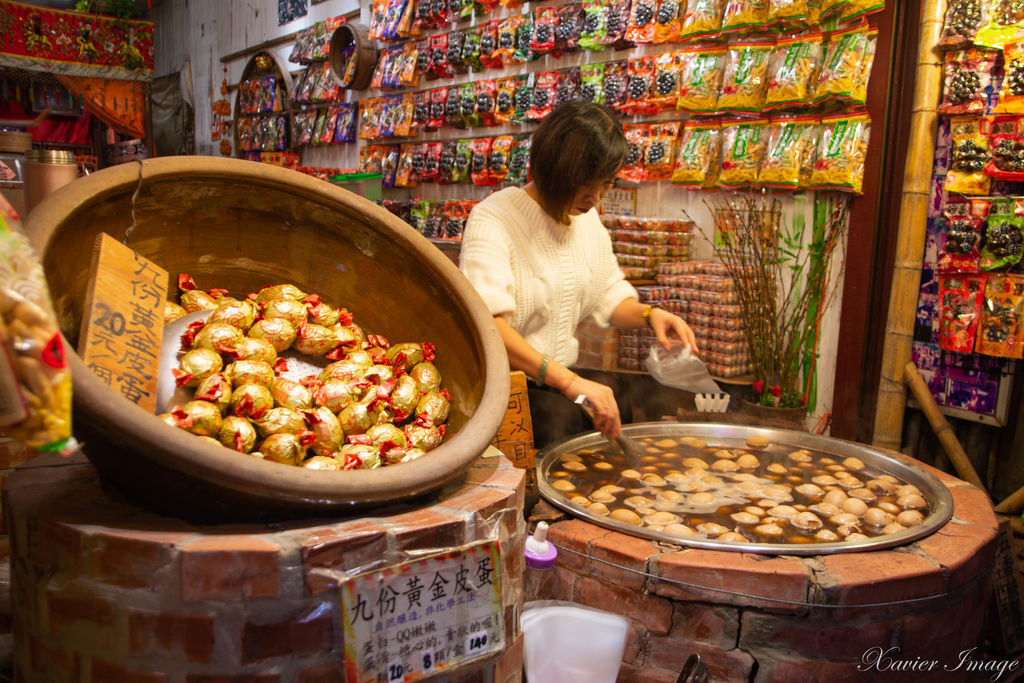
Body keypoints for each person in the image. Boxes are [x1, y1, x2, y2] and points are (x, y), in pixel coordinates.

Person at [459, 100, 697, 448]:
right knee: (571, 416)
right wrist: (570, 383)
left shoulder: (584, 218)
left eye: (607, 184)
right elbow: (490, 327)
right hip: (506, 387)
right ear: (558, 170)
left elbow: (607, 295)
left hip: (555, 381)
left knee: (613, 398)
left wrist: (651, 314)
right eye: (588, 184)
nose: (596, 197)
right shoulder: (494, 218)